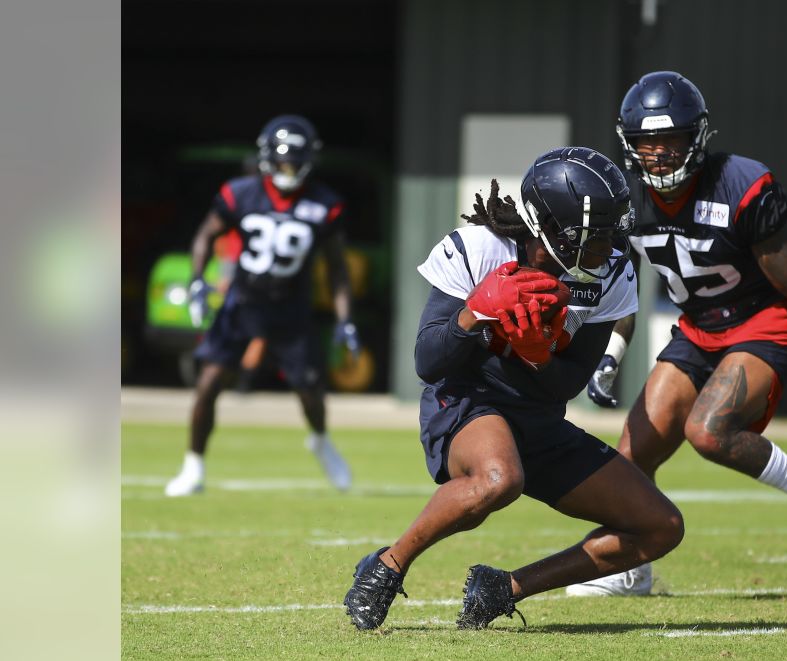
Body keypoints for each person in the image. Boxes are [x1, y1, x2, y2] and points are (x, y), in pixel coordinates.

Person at [342, 147, 684, 631]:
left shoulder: (611, 272)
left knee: (660, 525)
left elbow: (568, 383)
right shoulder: (482, 248)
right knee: (499, 478)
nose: (609, 246)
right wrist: (475, 313)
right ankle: (386, 564)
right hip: (468, 400)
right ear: (552, 231)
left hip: (538, 414)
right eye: (597, 232)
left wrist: (537, 353)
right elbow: (429, 361)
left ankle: (504, 588)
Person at [568, 71, 787, 596]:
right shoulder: (626, 201)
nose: (658, 154)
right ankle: (634, 565)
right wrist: (612, 355)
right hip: (698, 328)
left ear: (697, 138)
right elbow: (624, 287)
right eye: (646, 142)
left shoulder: (741, 185)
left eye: (670, 140)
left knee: (708, 432)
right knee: (632, 457)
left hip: (761, 322)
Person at [163, 115, 361, 496]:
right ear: (268, 159)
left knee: (310, 389)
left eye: (294, 163)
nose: (288, 170)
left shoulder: (325, 204)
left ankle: (320, 440)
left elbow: (337, 269)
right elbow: (205, 235)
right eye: (282, 162)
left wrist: (345, 319)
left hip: (291, 307)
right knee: (208, 382)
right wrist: (197, 281)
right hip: (242, 302)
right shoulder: (240, 193)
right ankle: (193, 466)